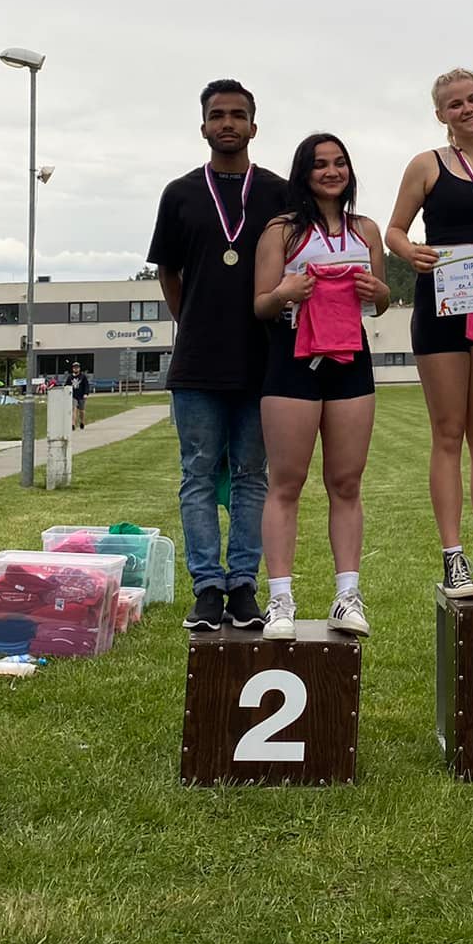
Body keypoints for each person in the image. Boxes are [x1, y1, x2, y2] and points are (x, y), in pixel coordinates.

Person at [147, 81, 292, 633]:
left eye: (237, 115)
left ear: (254, 126)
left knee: (254, 476)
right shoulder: (180, 194)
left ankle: (244, 586)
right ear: (203, 126)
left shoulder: (279, 194)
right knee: (198, 475)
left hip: (263, 359)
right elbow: (168, 272)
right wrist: (194, 321)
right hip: (198, 363)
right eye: (217, 115)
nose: (227, 123)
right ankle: (208, 587)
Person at [384, 67, 473, 599]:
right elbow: (395, 230)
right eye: (455, 104)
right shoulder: (427, 165)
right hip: (441, 307)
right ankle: (453, 558)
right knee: (448, 433)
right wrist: (410, 252)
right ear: (440, 114)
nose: (467, 109)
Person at [253, 134, 390, 638]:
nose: (332, 172)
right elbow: (260, 304)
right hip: (293, 359)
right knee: (286, 483)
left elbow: (379, 302)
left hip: (351, 358)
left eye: (340, 163)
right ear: (303, 173)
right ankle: (280, 601)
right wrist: (285, 292)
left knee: (347, 483)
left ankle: (346, 596)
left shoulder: (366, 229)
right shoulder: (282, 231)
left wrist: (380, 291)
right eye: (320, 164)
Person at [68, 362, 91, 429]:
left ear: (79, 368)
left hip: (81, 396)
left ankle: (82, 422)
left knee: (81, 410)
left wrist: (86, 393)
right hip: (73, 395)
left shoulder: (83, 377)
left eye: (77, 367)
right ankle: (73, 424)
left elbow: (86, 386)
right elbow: (67, 385)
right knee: (74, 409)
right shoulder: (70, 377)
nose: (76, 369)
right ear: (73, 369)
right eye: (74, 368)